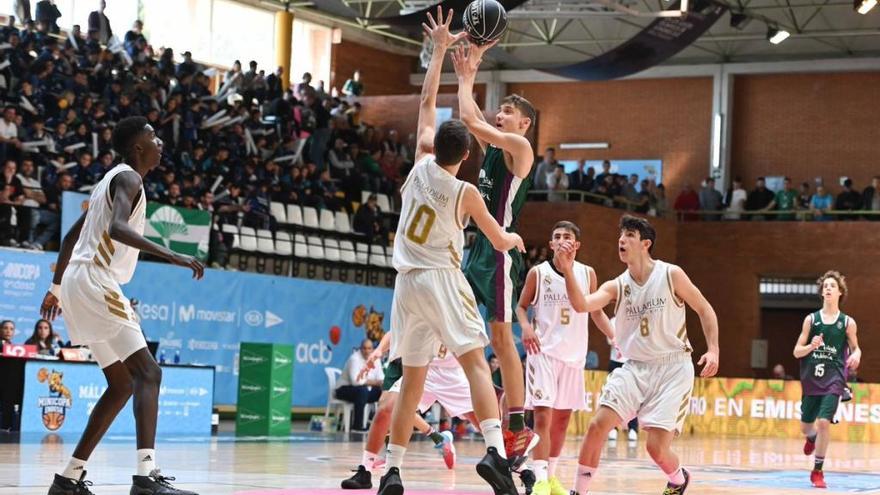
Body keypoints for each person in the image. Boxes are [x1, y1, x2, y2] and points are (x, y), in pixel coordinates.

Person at [376, 10, 525, 495]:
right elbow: (499, 240)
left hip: (405, 285)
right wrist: (514, 240)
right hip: (441, 276)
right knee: (477, 362)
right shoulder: (466, 194)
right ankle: (496, 454)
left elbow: (425, 102)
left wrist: (438, 50)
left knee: (412, 384)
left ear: (434, 144)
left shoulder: (418, 167)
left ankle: (392, 471)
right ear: (466, 156)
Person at [41, 117, 204, 495]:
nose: (160, 141)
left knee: (121, 384)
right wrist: (172, 254)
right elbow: (116, 228)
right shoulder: (130, 178)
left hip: (76, 284)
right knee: (149, 373)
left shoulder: (106, 183)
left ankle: (68, 478)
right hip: (97, 280)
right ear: (138, 148)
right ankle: (146, 478)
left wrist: (55, 288)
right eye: (153, 136)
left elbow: (69, 237)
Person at [566, 215, 720, 495]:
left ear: (645, 244)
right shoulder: (617, 285)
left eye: (629, 236)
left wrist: (713, 349)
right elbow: (582, 305)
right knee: (597, 426)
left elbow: (705, 309)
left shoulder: (670, 274)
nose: (621, 240)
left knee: (655, 449)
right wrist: (567, 271)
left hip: (672, 368)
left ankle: (677, 478)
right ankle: (579, 491)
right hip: (634, 367)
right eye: (620, 235)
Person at [455, 34, 540, 464]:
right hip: (477, 252)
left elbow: (473, 122)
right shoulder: (493, 148)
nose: (501, 114)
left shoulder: (521, 149)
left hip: (503, 251)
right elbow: (468, 115)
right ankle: (492, 407)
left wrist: (472, 72)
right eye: (501, 109)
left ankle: (521, 425)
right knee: (456, 328)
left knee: (502, 340)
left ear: (524, 123)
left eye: (509, 111)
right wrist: (466, 75)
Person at [516, 221, 614, 495]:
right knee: (543, 418)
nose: (561, 240)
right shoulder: (538, 273)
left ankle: (553, 476)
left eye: (567, 236)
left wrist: (615, 336)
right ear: (551, 244)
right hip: (543, 354)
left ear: (577, 245)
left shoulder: (588, 274)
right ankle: (540, 479)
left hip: (573, 357)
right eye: (556, 236)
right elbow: (521, 307)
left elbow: (596, 312)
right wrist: (525, 327)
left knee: (561, 421)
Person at [341, 332, 476, 489]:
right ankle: (368, 469)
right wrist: (379, 351)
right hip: (406, 363)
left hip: (440, 366)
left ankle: (501, 455)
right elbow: (397, 329)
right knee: (386, 409)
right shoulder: (408, 310)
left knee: (479, 420)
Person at [793, 270, 861, 489]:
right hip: (811, 381)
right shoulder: (811, 320)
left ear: (840, 292)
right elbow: (796, 352)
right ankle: (811, 439)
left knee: (824, 422)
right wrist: (810, 346)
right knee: (806, 427)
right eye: (825, 286)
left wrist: (857, 354)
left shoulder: (847, 322)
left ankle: (817, 471)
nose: (828, 288)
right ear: (822, 293)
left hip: (834, 380)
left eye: (833, 285)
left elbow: (855, 348)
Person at [335, 339, 385, 431]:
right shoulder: (354, 359)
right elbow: (356, 382)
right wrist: (374, 382)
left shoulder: (375, 359)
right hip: (342, 389)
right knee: (362, 392)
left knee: (383, 392)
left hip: (364, 390)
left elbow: (381, 379)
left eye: (369, 348)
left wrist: (378, 384)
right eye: (364, 348)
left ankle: (381, 426)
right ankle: (357, 426)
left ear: (372, 349)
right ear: (360, 349)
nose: (367, 351)